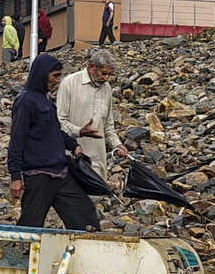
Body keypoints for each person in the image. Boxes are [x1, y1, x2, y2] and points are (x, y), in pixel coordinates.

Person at [10, 54, 96, 230]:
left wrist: (75, 145)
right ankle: (18, 255)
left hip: (61, 172)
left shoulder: (46, 99)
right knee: (31, 225)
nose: (58, 81)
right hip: (38, 174)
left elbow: (54, 132)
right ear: (41, 74)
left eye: (59, 76)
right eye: (54, 76)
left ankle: (89, 251)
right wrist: (15, 176)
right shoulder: (25, 101)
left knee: (85, 215)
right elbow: (16, 141)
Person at [57, 49, 128, 180]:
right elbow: (60, 121)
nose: (106, 78)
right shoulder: (70, 84)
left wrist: (117, 144)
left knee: (96, 195)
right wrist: (79, 131)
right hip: (73, 155)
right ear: (91, 67)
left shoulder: (106, 88)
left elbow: (107, 125)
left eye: (109, 75)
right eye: (104, 73)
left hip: (97, 156)